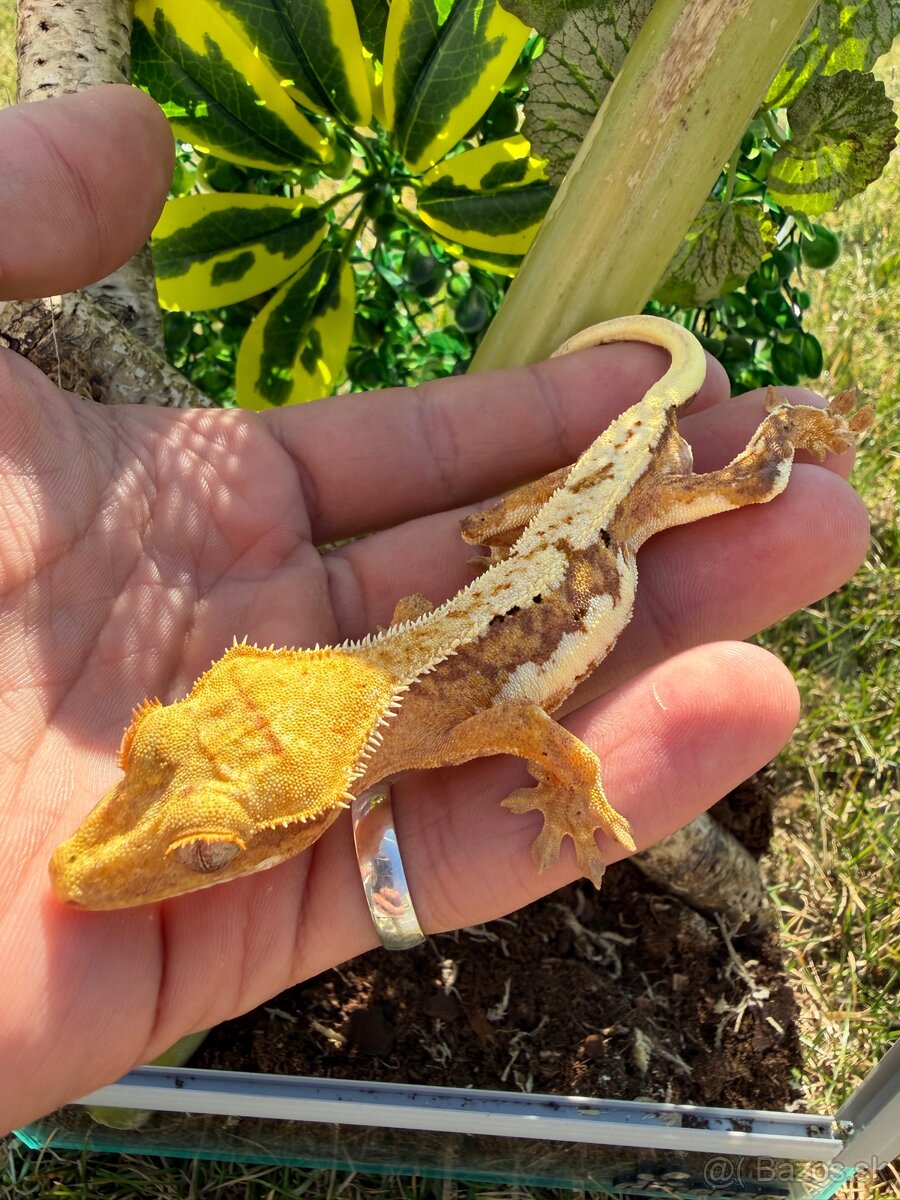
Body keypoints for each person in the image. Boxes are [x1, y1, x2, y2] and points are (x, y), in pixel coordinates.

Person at [0, 85, 870, 1135]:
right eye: (156, 754)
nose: (131, 847)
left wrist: (573, 792)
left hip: (615, 518)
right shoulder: (389, 689)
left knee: (756, 488)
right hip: (552, 541)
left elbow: (538, 732)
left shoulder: (437, 721)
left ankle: (794, 423)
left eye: (210, 850)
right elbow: (459, 662)